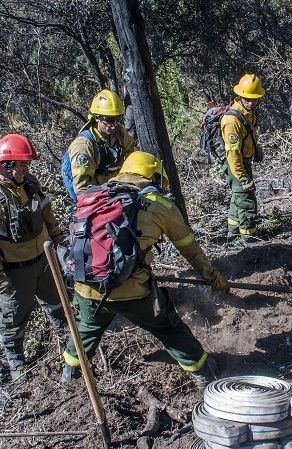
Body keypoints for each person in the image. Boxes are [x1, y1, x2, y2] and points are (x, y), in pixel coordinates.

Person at [60, 151, 230, 389]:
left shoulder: (94, 196)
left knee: (86, 329)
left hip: (87, 285)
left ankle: (69, 374)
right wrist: (212, 277)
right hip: (133, 290)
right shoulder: (160, 205)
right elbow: (189, 249)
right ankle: (203, 371)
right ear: (154, 177)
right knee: (167, 327)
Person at [0, 134, 66, 381]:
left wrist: (57, 236)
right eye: (22, 165)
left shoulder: (29, 183)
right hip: (13, 271)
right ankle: (17, 362)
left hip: (44, 260)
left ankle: (64, 340)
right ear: (5, 165)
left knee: (58, 305)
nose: (27, 169)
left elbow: (45, 211)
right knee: (13, 319)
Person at [67, 89, 138, 196]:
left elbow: (132, 157)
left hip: (116, 191)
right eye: (110, 120)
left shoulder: (119, 133)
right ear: (96, 118)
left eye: (118, 119)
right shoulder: (83, 146)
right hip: (96, 199)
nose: (115, 124)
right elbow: (81, 189)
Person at [222, 73, 265, 241]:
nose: (251, 102)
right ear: (239, 95)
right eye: (247, 98)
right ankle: (249, 239)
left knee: (237, 198)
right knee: (247, 202)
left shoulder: (250, 112)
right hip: (236, 166)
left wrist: (257, 149)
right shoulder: (232, 120)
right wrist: (242, 177)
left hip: (244, 161)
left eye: (254, 99)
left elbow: (251, 134)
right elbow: (233, 154)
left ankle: (232, 235)